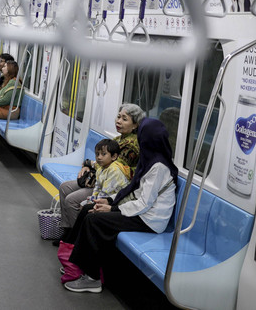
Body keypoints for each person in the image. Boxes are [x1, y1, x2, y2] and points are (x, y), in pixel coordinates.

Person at [64, 118, 178, 293]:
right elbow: (134, 190)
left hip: (150, 220)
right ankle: (74, 263)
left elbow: (144, 203)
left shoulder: (158, 167)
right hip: (141, 211)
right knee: (89, 209)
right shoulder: (150, 159)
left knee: (94, 220)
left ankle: (92, 278)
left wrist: (114, 208)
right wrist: (109, 200)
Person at [56, 104, 144, 243]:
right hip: (101, 179)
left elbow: (111, 166)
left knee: (71, 200)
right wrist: (89, 166)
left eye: (124, 119)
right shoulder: (118, 139)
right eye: (118, 116)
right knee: (64, 187)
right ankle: (67, 230)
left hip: (112, 187)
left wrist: (88, 164)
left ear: (135, 125)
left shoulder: (131, 145)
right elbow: (103, 162)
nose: (119, 121)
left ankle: (75, 239)